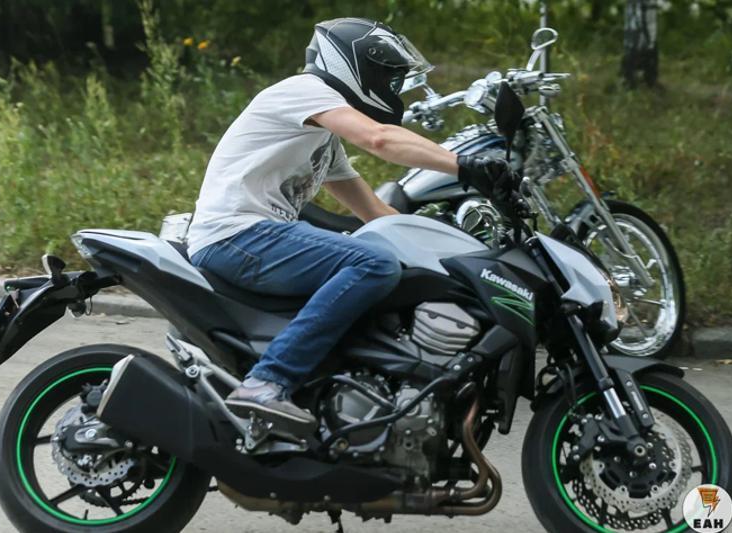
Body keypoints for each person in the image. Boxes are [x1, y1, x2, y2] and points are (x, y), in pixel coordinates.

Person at [188, 18, 511, 433]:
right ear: (354, 64)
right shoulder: (303, 91)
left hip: (254, 238)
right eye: (388, 76)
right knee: (373, 264)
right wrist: (464, 166)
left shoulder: (323, 139)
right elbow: (379, 139)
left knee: (394, 265)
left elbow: (376, 212)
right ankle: (266, 382)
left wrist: (453, 253)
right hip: (236, 235)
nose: (393, 87)